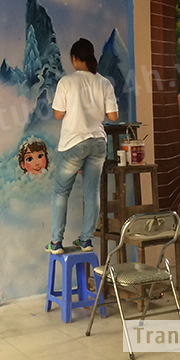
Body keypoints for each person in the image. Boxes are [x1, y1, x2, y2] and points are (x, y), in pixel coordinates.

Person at [46, 38, 118, 255]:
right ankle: (86, 240)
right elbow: (113, 116)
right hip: (98, 142)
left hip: (74, 143)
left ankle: (56, 243)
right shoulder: (104, 83)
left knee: (61, 192)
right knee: (92, 192)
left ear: (75, 58)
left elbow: (58, 114)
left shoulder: (67, 82)